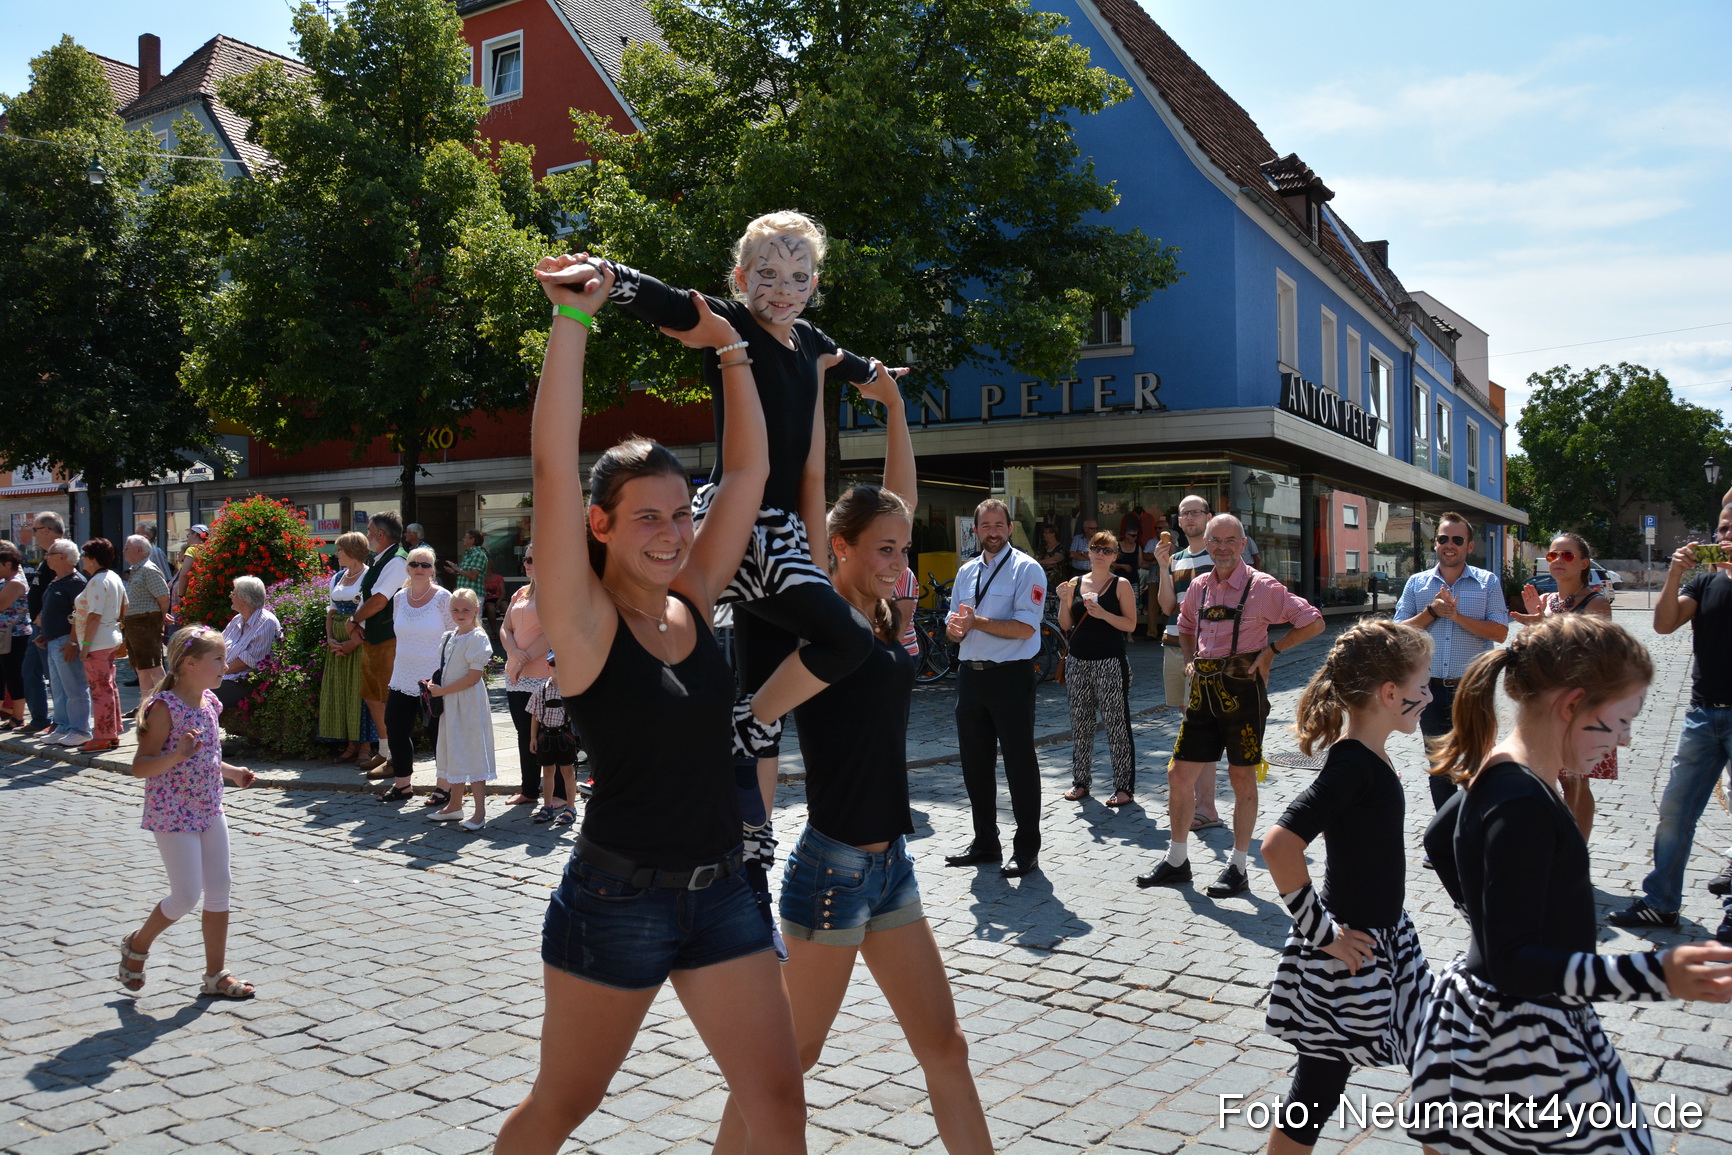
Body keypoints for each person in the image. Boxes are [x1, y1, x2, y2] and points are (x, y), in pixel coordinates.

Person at [495, 257, 807, 1155]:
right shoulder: (585, 621)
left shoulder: (695, 599)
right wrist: (574, 323)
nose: (674, 534)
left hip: (721, 894)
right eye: (648, 518)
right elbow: (555, 468)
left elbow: (748, 473)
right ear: (602, 526)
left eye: (680, 514)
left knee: (779, 1105)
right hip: (617, 898)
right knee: (562, 1105)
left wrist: (733, 354)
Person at [712, 365, 992, 1155]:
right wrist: (799, 378)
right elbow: (803, 479)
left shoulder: (876, 606)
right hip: (831, 872)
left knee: (947, 1050)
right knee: (785, 1064)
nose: (897, 561)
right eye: (882, 550)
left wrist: (896, 407)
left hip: (891, 866)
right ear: (836, 548)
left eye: (903, 549)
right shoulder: (818, 616)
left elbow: (892, 501)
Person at [557, 218, 885, 775]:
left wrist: (879, 377)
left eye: (799, 277)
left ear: (814, 283)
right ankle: (738, 723)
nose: (784, 289)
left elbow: (851, 363)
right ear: (740, 277)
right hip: (743, 522)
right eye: (769, 274)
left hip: (783, 530)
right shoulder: (731, 322)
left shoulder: (810, 342)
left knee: (766, 679)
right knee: (848, 638)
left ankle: (753, 834)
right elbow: (672, 303)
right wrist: (608, 276)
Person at [1410, 614, 1732, 1153]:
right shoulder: (1522, 803)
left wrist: (1492, 916)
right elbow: (1514, 962)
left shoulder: (1502, 768)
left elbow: (1440, 841)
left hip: (1492, 1014)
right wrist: (1654, 973)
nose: (1626, 740)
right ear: (1571, 704)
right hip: (1523, 1037)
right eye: (1622, 719)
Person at [1260, 619, 1435, 1152]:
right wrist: (1325, 934)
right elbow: (1278, 845)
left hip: (1389, 943)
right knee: (1318, 1087)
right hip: (1351, 955)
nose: (1429, 695)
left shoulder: (1369, 756)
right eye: (1422, 686)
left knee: (1439, 1065)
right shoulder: (1353, 765)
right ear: (1389, 694)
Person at [1137, 514, 1323, 898]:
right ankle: (1177, 860)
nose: (1221, 548)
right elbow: (1186, 626)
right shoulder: (1200, 587)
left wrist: (1272, 651)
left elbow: (1314, 622)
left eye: (1229, 541)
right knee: (1178, 775)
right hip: (1203, 692)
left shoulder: (1263, 587)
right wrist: (1190, 659)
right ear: (1207, 543)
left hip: (1243, 693)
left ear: (1242, 544)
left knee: (1241, 779)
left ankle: (1238, 867)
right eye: (1215, 541)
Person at [116, 626, 259, 1000]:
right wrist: (176, 755)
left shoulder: (210, 701)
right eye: (219, 659)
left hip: (210, 806)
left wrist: (233, 773)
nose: (225, 666)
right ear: (190, 664)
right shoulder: (164, 707)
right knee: (184, 896)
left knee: (220, 888)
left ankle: (216, 975)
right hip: (172, 811)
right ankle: (137, 943)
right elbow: (140, 766)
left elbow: (210, 756)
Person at [1609, 510, 1732, 938]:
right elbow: (1663, 624)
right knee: (1675, 812)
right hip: (1702, 713)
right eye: (1720, 527)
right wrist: (1676, 575)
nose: (1722, 535)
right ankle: (1661, 903)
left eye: (1731, 528)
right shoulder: (1705, 581)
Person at [943, 498, 1049, 878]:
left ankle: (1027, 849)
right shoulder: (966, 571)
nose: (992, 531)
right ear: (976, 530)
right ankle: (985, 842)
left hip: (1010, 676)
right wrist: (953, 629)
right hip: (970, 676)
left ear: (1009, 527)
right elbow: (954, 622)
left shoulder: (1027, 569)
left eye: (998, 524)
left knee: (1019, 763)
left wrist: (975, 623)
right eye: (984, 525)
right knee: (975, 764)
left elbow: (1025, 627)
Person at [1394, 512, 1511, 811]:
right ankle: (1445, 839)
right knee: (1440, 767)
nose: (1449, 545)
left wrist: (1457, 616)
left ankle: (1473, 833)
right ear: (1435, 544)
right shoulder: (1417, 584)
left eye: (1457, 540)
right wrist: (1431, 613)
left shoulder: (1487, 583)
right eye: (1443, 539)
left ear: (1469, 546)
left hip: (1472, 689)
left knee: (1476, 763)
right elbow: (1396, 633)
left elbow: (1499, 632)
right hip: (1428, 691)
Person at [1510, 531, 1615, 840]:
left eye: (1567, 555)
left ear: (1583, 563)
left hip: (1581, 704)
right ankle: (1551, 845)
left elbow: (1592, 658)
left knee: (1575, 782)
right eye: (1553, 555)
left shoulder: (1596, 604)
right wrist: (1531, 627)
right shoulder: (1546, 601)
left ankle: (1576, 853)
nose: (1557, 561)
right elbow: (1533, 651)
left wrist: (1543, 623)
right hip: (1545, 702)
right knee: (1543, 776)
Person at [1151, 496, 1225, 831]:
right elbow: (1168, 606)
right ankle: (1201, 804)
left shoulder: (1221, 556)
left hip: (1206, 651)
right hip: (1173, 645)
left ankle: (1206, 806)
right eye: (1185, 513)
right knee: (1191, 723)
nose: (1190, 518)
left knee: (1202, 726)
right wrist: (1163, 568)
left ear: (1208, 517)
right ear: (1179, 521)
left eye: (1196, 512)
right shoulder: (1176, 558)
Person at [1059, 531, 1137, 808]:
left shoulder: (1121, 584)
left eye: (1107, 550)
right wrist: (1064, 599)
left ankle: (1124, 786)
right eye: (1096, 549)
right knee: (1080, 723)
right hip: (1078, 661)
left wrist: (1104, 614)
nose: (1100, 554)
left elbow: (1130, 625)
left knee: (1116, 725)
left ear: (1115, 556)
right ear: (1088, 553)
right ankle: (1081, 781)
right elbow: (1065, 624)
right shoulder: (1075, 582)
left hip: (1110, 661)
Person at [376, 546, 454, 804]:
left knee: (437, 734)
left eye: (425, 565)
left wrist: (449, 675)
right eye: (414, 564)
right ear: (407, 568)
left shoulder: (443, 598)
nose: (419, 569)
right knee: (395, 727)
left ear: (433, 570)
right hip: (402, 675)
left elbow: (457, 635)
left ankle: (444, 787)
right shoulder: (399, 598)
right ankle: (402, 785)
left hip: (434, 679)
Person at [425, 588, 496, 830]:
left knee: (473, 751)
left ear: (476, 610)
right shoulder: (449, 636)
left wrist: (443, 691)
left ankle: (480, 812)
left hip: (468, 702)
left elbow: (473, 678)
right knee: (453, 749)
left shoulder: (477, 638)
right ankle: (454, 805)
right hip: (451, 702)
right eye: (455, 609)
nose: (460, 614)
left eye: (466, 609)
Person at [349, 513, 409, 775]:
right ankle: (385, 752)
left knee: (387, 699)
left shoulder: (397, 561)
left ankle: (396, 759)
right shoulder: (382, 559)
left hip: (389, 639)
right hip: (375, 637)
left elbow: (380, 601)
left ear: (381, 535)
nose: (368, 535)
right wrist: (356, 626)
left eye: (370, 531)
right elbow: (368, 598)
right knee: (373, 696)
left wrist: (353, 620)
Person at [501, 547, 559, 808]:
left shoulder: (555, 593)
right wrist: (513, 652)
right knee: (524, 733)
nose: (526, 563)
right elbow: (505, 627)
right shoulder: (520, 593)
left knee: (549, 733)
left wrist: (521, 658)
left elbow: (551, 633)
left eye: (532, 559)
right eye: (525, 558)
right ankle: (529, 790)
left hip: (542, 675)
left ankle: (557, 793)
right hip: (516, 674)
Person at [319, 532, 372, 766]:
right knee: (342, 693)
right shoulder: (338, 577)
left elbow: (369, 614)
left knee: (360, 693)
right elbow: (331, 612)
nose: (337, 553)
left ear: (352, 551)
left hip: (360, 643)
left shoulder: (369, 577)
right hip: (338, 646)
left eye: (340, 549)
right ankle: (350, 744)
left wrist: (353, 643)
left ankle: (366, 747)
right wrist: (330, 639)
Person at [73, 538, 127, 753]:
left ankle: (103, 735)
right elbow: (125, 606)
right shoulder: (114, 577)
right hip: (110, 637)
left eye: (84, 556)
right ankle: (112, 731)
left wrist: (85, 645)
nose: (82, 560)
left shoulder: (97, 581)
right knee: (109, 685)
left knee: (99, 688)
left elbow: (94, 615)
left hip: (97, 641)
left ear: (93, 559)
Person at [38, 539, 89, 747]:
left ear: (62, 556)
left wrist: (73, 642)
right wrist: (44, 633)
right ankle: (62, 726)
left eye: (50, 554)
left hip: (66, 642)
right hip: (52, 641)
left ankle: (80, 729)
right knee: (58, 688)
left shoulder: (76, 582)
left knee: (74, 687)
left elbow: (80, 615)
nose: (45, 558)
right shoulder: (57, 580)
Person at [19, 513, 66, 734]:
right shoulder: (47, 555)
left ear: (47, 530)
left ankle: (60, 720)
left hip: (49, 625)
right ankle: (40, 718)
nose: (34, 535)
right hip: (37, 624)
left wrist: (44, 615)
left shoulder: (61, 553)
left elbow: (63, 589)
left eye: (35, 530)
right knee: (29, 671)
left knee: (54, 675)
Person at [216, 576, 281, 713]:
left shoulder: (266, 622)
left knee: (200, 694)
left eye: (234, 593)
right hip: (223, 676)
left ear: (244, 599)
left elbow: (246, 663)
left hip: (242, 682)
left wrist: (215, 672)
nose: (230, 596)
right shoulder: (237, 620)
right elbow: (217, 646)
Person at [121, 535, 171, 699]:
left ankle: (165, 702)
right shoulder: (137, 569)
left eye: (127, 548)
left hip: (146, 622)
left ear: (139, 550)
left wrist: (162, 616)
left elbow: (163, 596)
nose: (124, 551)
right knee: (141, 667)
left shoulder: (148, 569)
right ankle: (145, 705)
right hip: (135, 623)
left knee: (153, 665)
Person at [527, 674, 578, 829]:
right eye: (552, 663)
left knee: (567, 772)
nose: (556, 667)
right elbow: (535, 715)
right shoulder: (540, 689)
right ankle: (547, 806)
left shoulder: (570, 688)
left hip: (564, 735)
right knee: (547, 771)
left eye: (558, 662)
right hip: (546, 735)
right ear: (548, 666)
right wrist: (532, 738)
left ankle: (571, 807)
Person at [0, 541, 31, 730]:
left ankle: (18, 717)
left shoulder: (16, 583)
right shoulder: (5, 581)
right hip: (4, 635)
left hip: (15, 636)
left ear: (8, 564)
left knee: (13, 676)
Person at [169, 524, 208, 614]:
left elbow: (184, 574)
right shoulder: (208, 550)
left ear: (195, 535)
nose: (188, 538)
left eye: (189, 535)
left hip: (190, 597)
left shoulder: (192, 550)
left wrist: (181, 596)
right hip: (204, 594)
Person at [450, 529, 488, 598]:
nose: (463, 539)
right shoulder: (468, 554)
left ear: (472, 540)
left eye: (465, 537)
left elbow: (473, 576)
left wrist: (458, 569)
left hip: (473, 596)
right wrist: (453, 571)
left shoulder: (478, 554)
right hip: (462, 595)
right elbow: (465, 576)